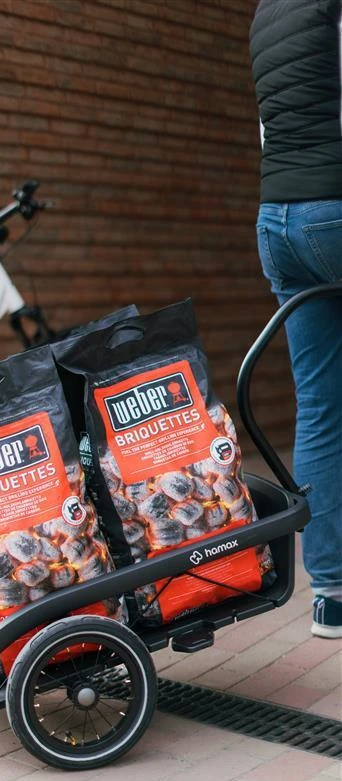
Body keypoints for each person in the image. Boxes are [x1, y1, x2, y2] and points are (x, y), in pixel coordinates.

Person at [249, 0, 342, 638]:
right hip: (333, 209)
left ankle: (331, 595)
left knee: (320, 407)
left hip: (277, 221)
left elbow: (268, 128)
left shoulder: (265, 13)